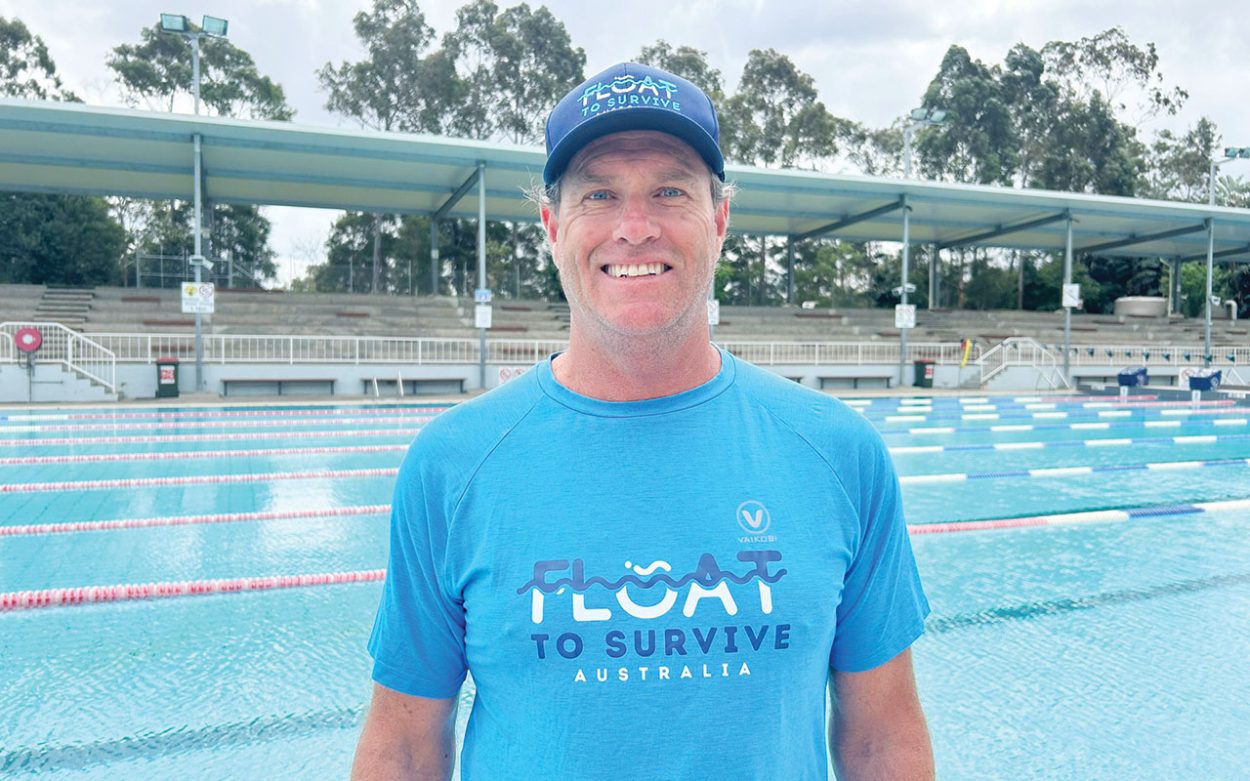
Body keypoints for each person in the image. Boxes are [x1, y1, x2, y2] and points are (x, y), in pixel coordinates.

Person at [352, 62, 933, 781]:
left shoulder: (840, 455)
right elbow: (404, 748)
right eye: (600, 193)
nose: (635, 228)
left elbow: (881, 739)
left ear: (719, 220)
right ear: (552, 224)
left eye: (670, 191)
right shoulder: (452, 465)